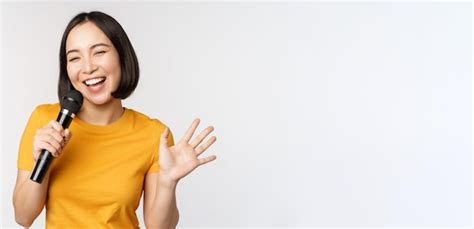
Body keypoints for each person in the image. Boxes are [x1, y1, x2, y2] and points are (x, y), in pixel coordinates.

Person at [12, 11, 217, 228]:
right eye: (74, 58)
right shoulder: (46, 121)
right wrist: (41, 161)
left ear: (121, 56)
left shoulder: (154, 134)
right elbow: (23, 217)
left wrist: (167, 183)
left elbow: (159, 227)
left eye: (99, 52)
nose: (88, 67)